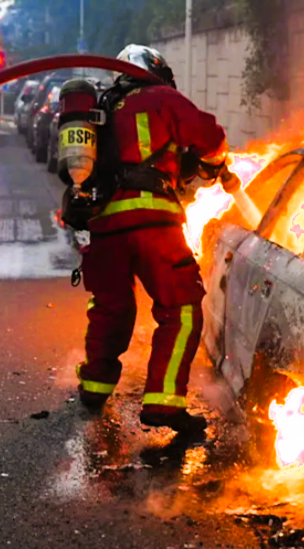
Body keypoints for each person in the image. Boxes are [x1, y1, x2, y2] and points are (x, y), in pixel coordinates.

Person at [75, 44, 227, 434]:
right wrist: (216, 164)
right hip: (151, 220)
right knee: (183, 308)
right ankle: (164, 404)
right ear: (156, 72)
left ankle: (94, 385)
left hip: (105, 225)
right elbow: (210, 136)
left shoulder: (101, 109)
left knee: (110, 307)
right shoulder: (162, 96)